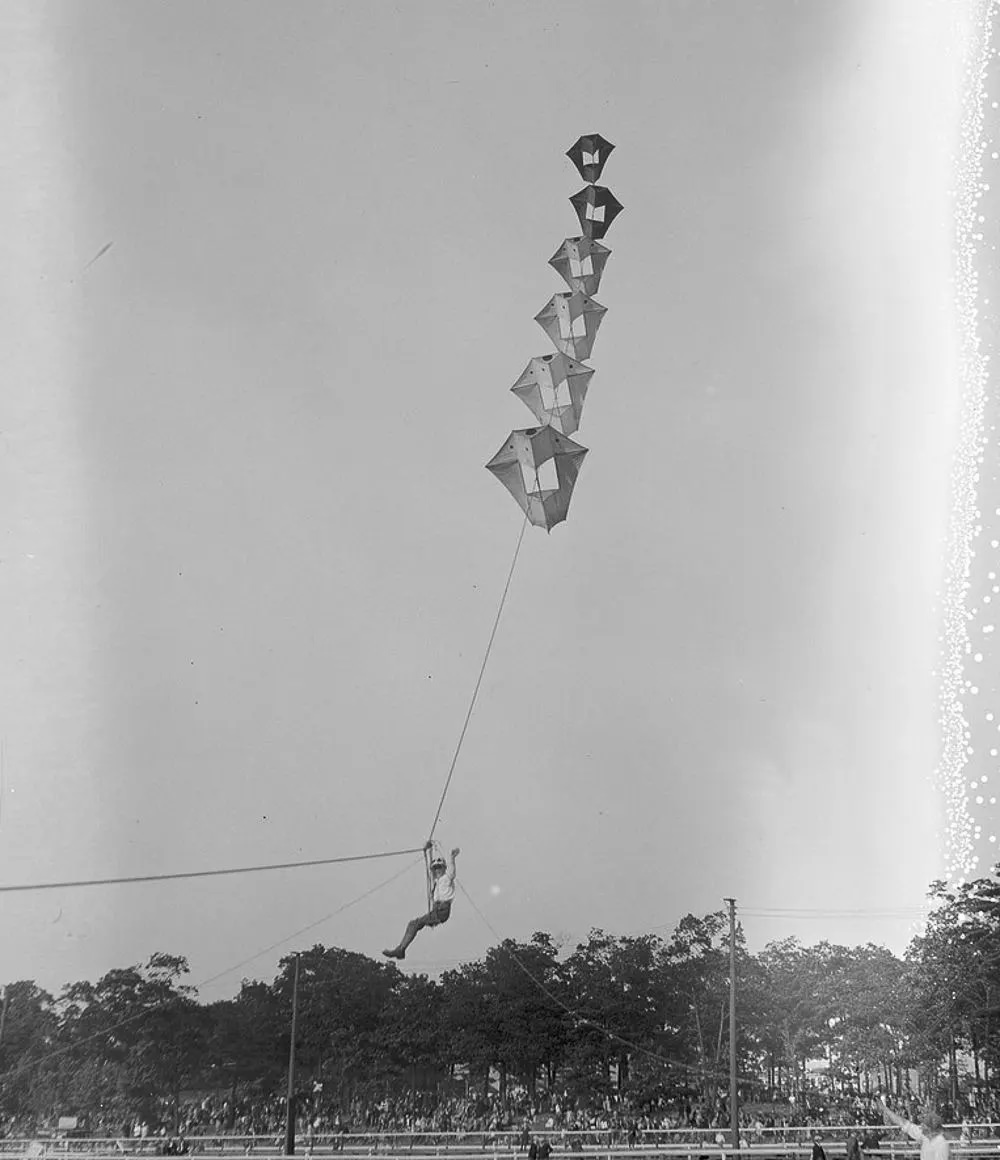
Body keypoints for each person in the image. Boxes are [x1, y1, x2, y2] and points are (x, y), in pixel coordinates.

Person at [383, 846, 459, 959]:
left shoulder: (446, 878)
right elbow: (430, 872)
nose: (437, 870)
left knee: (414, 924)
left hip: (442, 909)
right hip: (437, 910)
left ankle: (400, 949)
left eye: (439, 867)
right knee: (413, 924)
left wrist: (452, 857)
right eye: (435, 868)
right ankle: (401, 949)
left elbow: (452, 872)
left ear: (444, 868)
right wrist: (428, 850)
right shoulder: (436, 882)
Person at [881, 1098, 949, 1160]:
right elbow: (902, 1122)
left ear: (930, 1127)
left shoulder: (941, 1143)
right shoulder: (924, 1136)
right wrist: (885, 1109)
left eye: (924, 1124)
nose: (921, 1125)